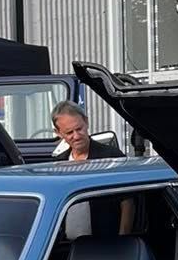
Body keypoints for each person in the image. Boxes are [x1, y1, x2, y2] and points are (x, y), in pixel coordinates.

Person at [50, 100, 133, 239]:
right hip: (67, 246)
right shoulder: (59, 164)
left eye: (79, 129)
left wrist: (122, 238)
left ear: (87, 122)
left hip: (107, 242)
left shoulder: (112, 157)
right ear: (58, 133)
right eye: (69, 132)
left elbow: (128, 202)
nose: (76, 136)